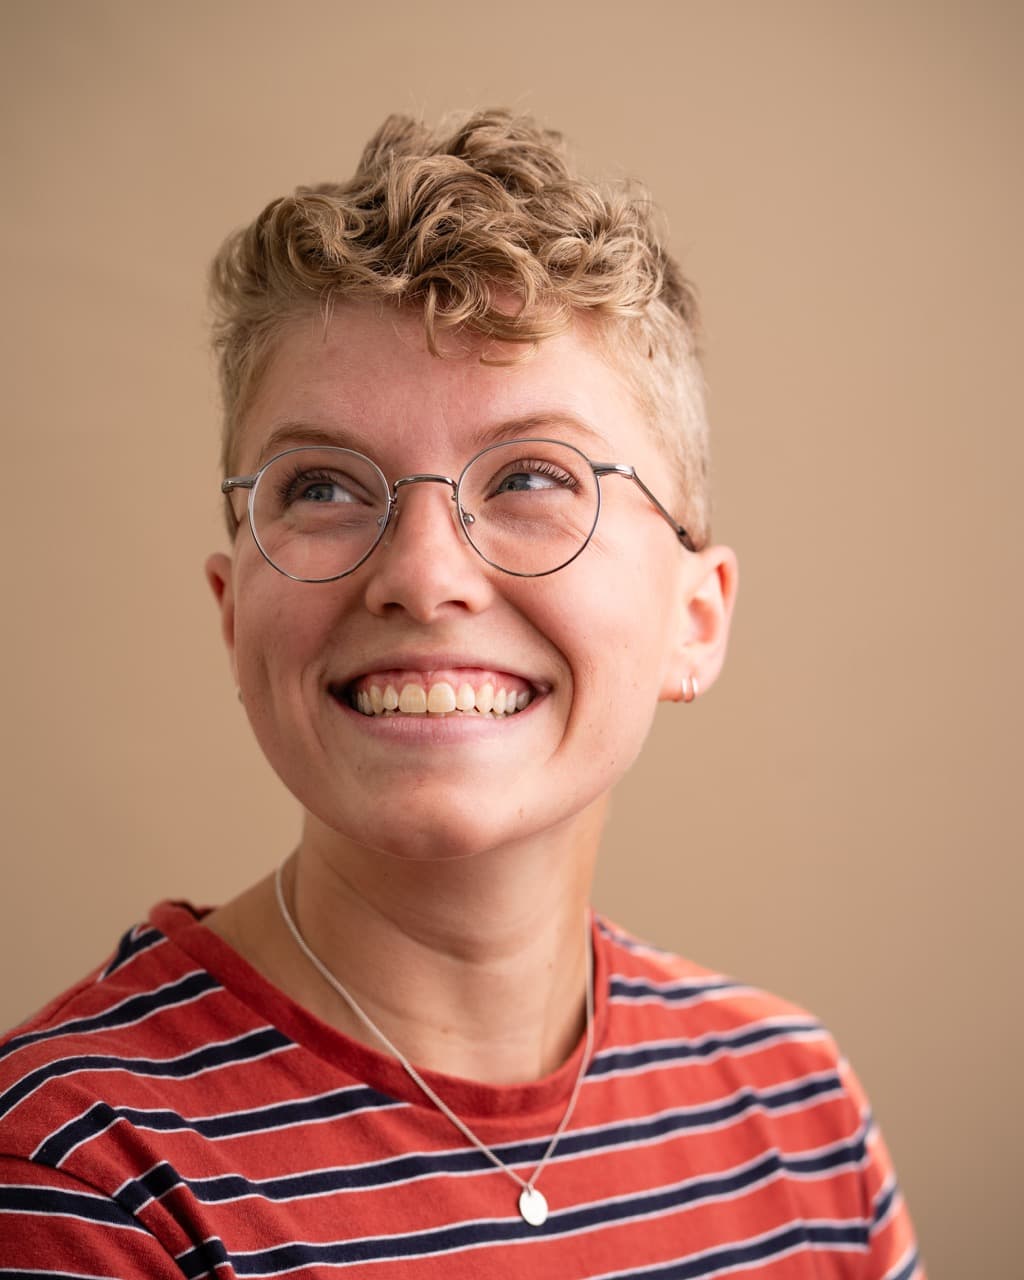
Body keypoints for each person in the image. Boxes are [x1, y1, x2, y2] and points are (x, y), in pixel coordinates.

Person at [0, 110, 924, 1278]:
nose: (424, 575)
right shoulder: (74, 1176)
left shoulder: (796, 1118)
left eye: (535, 474)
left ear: (697, 617)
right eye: (324, 484)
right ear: (235, 615)